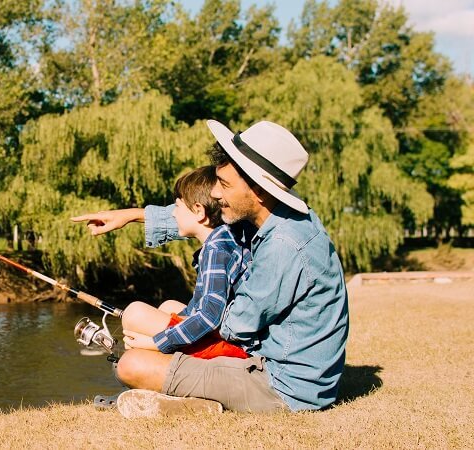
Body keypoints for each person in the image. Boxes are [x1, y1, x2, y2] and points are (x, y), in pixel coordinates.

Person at [72, 120, 349, 415]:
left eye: (225, 185)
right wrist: (130, 215)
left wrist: (161, 339)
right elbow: (205, 221)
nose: (215, 194)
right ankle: (190, 390)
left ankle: (195, 404)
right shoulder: (276, 218)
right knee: (167, 309)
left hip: (282, 386)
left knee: (132, 364)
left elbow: (233, 327)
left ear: (259, 190)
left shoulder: (283, 245)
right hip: (272, 358)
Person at [120, 165, 249, 362]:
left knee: (134, 314)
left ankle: (158, 368)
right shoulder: (226, 237)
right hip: (227, 338)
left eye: (177, 207)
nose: (173, 214)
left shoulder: (216, 250)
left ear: (199, 211)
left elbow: (209, 316)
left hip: (232, 351)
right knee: (168, 306)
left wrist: (156, 342)